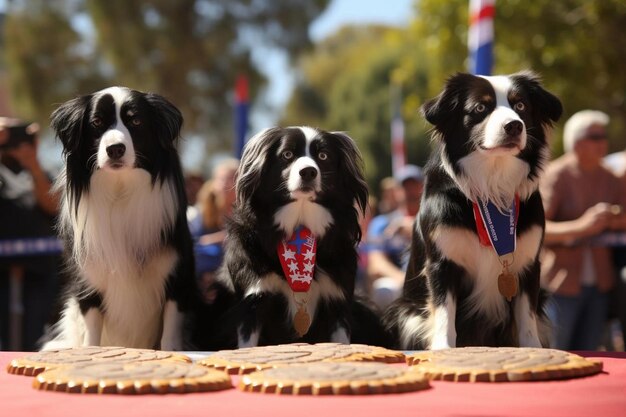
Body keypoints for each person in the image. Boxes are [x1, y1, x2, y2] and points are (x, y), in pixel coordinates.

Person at [540, 110, 626, 351]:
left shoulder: (610, 177)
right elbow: (537, 229)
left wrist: (612, 219)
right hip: (561, 284)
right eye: (596, 136)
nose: (604, 142)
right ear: (577, 143)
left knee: (590, 352)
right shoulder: (555, 175)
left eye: (603, 136)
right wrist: (582, 226)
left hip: (599, 284)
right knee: (558, 352)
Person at [0, 118, 60, 351]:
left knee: (36, 340)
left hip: (40, 274)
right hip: (1, 274)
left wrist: (32, 163)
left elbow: (53, 206)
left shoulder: (47, 172)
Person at [366, 164, 424, 309]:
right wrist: (404, 280)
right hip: (398, 281)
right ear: (396, 191)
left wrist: (414, 228)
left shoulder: (435, 221)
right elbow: (376, 263)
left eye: (414, 185)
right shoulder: (381, 223)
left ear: (423, 187)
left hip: (430, 280)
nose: (410, 191)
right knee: (383, 290)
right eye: (405, 186)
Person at [188, 158, 238, 304]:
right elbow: (188, 244)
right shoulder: (198, 214)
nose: (226, 184)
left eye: (233, 179)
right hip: (200, 282)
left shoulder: (247, 215)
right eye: (222, 179)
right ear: (214, 183)